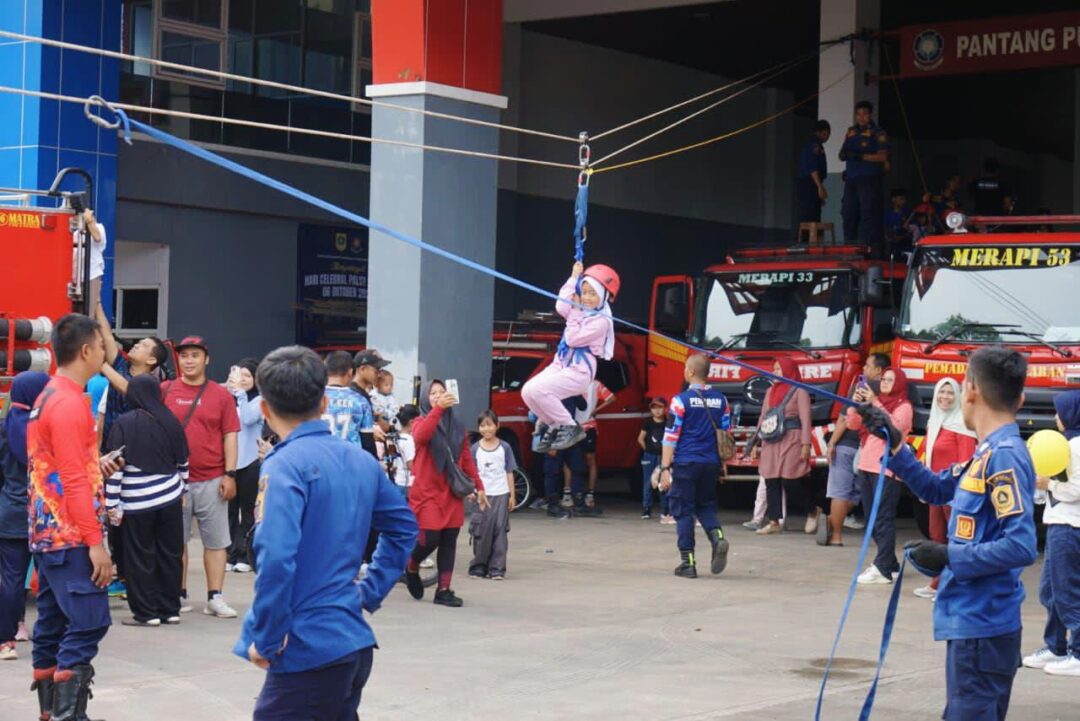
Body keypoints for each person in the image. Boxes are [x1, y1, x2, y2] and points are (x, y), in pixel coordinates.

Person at [234, 346, 417, 721]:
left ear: (265, 410)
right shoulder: (361, 461)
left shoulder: (283, 465)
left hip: (306, 649)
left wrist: (267, 636)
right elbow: (403, 528)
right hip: (349, 638)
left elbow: (277, 558)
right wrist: (371, 590)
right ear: (322, 404)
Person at [857, 346, 1038, 719]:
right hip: (973, 624)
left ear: (970, 391)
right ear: (1019, 398)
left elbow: (1021, 545)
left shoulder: (1003, 455)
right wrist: (894, 441)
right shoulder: (985, 453)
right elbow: (936, 488)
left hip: (983, 626)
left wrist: (949, 556)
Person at [25, 314, 123, 720]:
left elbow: (59, 468)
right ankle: (69, 715)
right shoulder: (69, 402)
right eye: (102, 347)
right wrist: (95, 543)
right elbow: (70, 480)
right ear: (86, 350)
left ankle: (51, 713)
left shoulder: (48, 396)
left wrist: (95, 466)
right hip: (70, 537)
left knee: (51, 623)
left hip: (48, 536)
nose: (105, 354)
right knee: (88, 622)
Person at [162, 336, 240, 618]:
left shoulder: (221, 396)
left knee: (216, 540)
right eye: (184, 356)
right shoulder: (165, 390)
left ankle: (214, 597)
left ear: (206, 359)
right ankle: (178, 593)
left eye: (195, 355)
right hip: (173, 480)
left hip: (212, 477)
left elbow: (229, 435)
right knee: (176, 541)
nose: (189, 360)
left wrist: (230, 473)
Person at [103, 375, 188, 627]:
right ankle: (170, 609)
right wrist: (182, 489)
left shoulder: (124, 423)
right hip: (170, 498)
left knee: (140, 557)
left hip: (136, 503)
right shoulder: (171, 419)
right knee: (170, 554)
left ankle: (146, 613)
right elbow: (183, 462)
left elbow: (116, 467)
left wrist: (111, 503)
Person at [403, 380, 487, 607]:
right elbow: (422, 437)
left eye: (442, 392)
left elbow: (466, 459)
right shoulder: (420, 421)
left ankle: (444, 589)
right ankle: (411, 565)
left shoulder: (457, 426)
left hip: (451, 491)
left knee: (449, 539)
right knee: (430, 538)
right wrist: (438, 409)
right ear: (425, 399)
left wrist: (479, 486)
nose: (438, 396)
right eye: (433, 393)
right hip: (427, 491)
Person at [522, 261, 620, 451]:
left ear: (603, 296)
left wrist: (574, 310)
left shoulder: (601, 322)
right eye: (585, 292)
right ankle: (555, 424)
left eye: (593, 293)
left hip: (579, 371)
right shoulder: (580, 311)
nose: (587, 298)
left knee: (539, 390)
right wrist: (573, 277)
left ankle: (569, 426)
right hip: (562, 364)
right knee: (527, 392)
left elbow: (573, 339)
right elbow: (561, 305)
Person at [657, 354, 731, 579]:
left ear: (689, 372)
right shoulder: (722, 400)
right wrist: (723, 464)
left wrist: (664, 468)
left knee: (684, 511)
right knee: (706, 506)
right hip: (710, 463)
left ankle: (688, 563)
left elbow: (670, 436)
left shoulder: (681, 400)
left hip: (686, 462)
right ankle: (717, 537)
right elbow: (725, 434)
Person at [1022, 391, 1080, 677]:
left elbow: (1077, 490)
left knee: (1068, 593)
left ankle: (1078, 653)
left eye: (1059, 412)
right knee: (1050, 591)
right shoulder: (1065, 444)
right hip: (1058, 522)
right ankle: (1056, 646)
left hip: (1071, 527)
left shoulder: (1078, 446)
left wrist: (1048, 485)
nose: (1056, 417)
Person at [846, 367, 913, 584]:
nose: (884, 382)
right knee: (872, 519)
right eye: (883, 379)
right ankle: (890, 564)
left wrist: (875, 402)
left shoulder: (904, 407)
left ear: (899, 383)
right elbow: (853, 424)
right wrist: (856, 405)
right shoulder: (875, 403)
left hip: (887, 468)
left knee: (883, 518)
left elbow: (895, 426)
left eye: (890, 380)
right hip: (867, 466)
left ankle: (883, 569)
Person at [0, 372, 50, 661]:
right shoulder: (47, 428)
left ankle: (6, 641)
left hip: (11, 513)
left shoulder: (5, 429)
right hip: (45, 514)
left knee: (11, 578)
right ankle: (49, 635)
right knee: (50, 577)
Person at [914, 378, 977, 600]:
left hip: (953, 494)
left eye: (951, 393)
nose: (946, 397)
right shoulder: (935, 422)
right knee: (937, 536)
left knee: (954, 540)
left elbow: (967, 462)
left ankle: (951, 586)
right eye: (942, 392)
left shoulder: (962, 425)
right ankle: (937, 582)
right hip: (936, 491)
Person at [825, 353, 890, 546]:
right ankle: (831, 521)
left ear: (878, 370)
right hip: (871, 450)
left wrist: (832, 443)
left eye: (868, 366)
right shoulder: (890, 390)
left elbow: (845, 418)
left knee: (840, 491)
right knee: (858, 494)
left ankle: (835, 533)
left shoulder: (860, 387)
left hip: (848, 445)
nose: (864, 369)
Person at [750, 358, 813, 536]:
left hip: (792, 438)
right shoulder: (770, 391)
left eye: (779, 369)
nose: (776, 372)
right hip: (771, 439)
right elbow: (763, 417)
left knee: (790, 479)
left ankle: (813, 511)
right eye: (775, 369)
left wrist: (806, 443)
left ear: (789, 370)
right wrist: (755, 441)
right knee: (771, 479)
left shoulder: (800, 391)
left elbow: (806, 419)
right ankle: (774, 521)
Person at [468, 411, 517, 580]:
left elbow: (509, 472)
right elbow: (471, 473)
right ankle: (479, 566)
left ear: (497, 426)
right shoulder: (475, 449)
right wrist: (471, 491)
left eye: (489, 425)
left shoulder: (505, 447)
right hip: (482, 496)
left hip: (501, 494)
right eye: (482, 425)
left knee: (499, 532)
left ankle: (497, 568)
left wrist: (512, 495)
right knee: (481, 531)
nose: (486, 429)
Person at [225, 358, 263, 574]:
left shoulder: (259, 400)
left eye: (248, 377)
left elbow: (248, 419)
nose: (243, 381)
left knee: (247, 511)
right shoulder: (229, 399)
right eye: (241, 376)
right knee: (229, 511)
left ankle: (246, 555)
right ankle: (231, 553)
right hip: (231, 463)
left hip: (251, 463)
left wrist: (239, 393)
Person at [839, 100, 889, 257]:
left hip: (869, 179)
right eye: (858, 114)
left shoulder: (878, 133)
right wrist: (844, 155)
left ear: (870, 115)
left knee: (869, 215)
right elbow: (843, 152)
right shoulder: (851, 132)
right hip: (851, 180)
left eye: (864, 114)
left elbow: (882, 157)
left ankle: (871, 252)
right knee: (848, 213)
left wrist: (861, 156)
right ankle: (849, 250)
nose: (861, 117)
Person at [324, 350, 376, 457]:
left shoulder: (313, 398)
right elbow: (367, 442)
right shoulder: (360, 401)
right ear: (350, 372)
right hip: (350, 462)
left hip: (320, 462)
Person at [575, 378, 615, 509]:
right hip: (572, 426)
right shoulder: (569, 381)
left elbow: (611, 398)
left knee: (590, 459)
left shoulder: (595, 384)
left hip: (589, 426)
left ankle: (590, 493)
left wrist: (595, 410)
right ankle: (568, 492)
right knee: (570, 459)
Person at [351, 349, 390, 454]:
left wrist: (376, 418)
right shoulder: (353, 394)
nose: (379, 375)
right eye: (376, 370)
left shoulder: (364, 394)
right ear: (362, 369)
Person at [638, 397, 668, 520]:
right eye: (654, 407)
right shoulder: (648, 422)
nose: (657, 411)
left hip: (664, 456)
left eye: (660, 407)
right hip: (649, 456)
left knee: (664, 483)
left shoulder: (668, 422)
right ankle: (646, 509)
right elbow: (640, 439)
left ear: (665, 408)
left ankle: (665, 510)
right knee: (648, 483)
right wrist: (647, 450)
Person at [796, 119, 831, 224]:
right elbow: (812, 168)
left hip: (812, 184)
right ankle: (804, 240)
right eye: (828, 134)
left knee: (814, 216)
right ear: (824, 132)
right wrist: (819, 186)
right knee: (809, 216)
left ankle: (812, 239)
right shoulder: (813, 145)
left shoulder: (816, 145)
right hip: (810, 183)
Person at [387, 404, 420, 498]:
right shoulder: (409, 440)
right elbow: (411, 465)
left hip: (396, 480)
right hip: (407, 483)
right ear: (412, 422)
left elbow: (392, 458)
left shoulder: (395, 438)